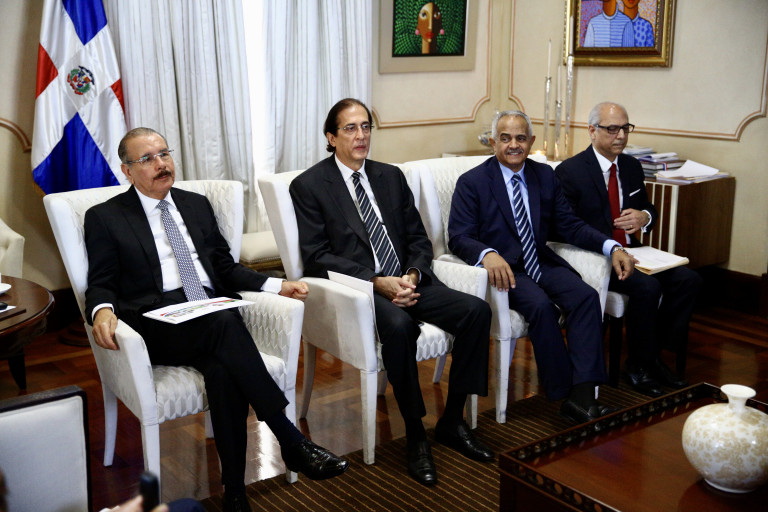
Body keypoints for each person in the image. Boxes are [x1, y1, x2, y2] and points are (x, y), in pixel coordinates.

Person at [85, 128, 348, 512]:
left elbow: (224, 267)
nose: (161, 164)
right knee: (224, 322)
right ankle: (290, 438)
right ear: (127, 170)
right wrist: (103, 310)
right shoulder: (106, 217)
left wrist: (276, 285)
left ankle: (235, 494)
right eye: (148, 159)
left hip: (207, 311)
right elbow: (100, 281)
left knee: (224, 370)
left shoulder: (196, 205)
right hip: (156, 322)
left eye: (164, 154)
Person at [289, 98, 493, 486]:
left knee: (476, 311)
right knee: (400, 327)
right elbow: (316, 256)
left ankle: (452, 421)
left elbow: (418, 237)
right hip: (363, 290)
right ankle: (416, 434)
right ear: (331, 137)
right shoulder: (310, 185)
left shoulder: (391, 176)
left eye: (366, 126)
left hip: (409, 280)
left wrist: (412, 274)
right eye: (350, 128)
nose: (361, 135)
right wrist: (376, 281)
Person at [447, 110, 635, 424]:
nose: (514, 145)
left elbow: (570, 225)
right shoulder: (473, 182)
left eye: (521, 138)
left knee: (586, 297)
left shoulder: (545, 175)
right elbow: (458, 236)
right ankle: (563, 392)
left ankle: (583, 397)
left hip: (540, 260)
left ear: (531, 141)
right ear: (493, 142)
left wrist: (611, 246)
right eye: (505, 138)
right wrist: (488, 254)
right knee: (541, 307)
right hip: (505, 271)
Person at [556, 102, 702, 397]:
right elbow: (565, 226)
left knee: (689, 281)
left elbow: (648, 208)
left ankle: (653, 356)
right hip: (596, 257)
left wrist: (644, 217)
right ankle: (639, 365)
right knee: (647, 288)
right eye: (612, 129)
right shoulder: (570, 171)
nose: (621, 135)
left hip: (634, 250)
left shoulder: (632, 166)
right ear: (592, 131)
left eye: (625, 128)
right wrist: (609, 247)